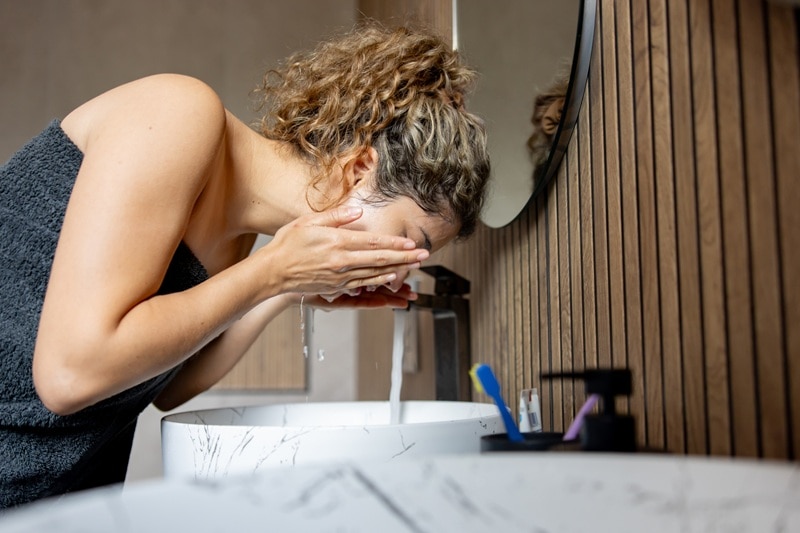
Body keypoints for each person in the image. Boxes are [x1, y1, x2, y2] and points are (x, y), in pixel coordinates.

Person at [0, 23, 490, 508]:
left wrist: (281, 290)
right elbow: (71, 377)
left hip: (49, 497)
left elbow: (164, 388)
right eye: (408, 242)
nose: (398, 272)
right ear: (358, 170)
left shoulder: (239, 235)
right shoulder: (174, 113)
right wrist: (269, 274)